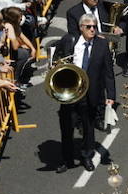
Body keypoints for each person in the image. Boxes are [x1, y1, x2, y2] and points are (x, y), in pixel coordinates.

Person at [50, 15, 117, 173]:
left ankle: (86, 156)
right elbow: (55, 57)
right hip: (71, 93)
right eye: (88, 26)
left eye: (94, 26)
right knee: (67, 128)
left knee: (89, 127)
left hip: (91, 93)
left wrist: (111, 96)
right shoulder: (69, 40)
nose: (92, 29)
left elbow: (108, 72)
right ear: (81, 28)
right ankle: (66, 159)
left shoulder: (102, 45)